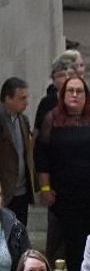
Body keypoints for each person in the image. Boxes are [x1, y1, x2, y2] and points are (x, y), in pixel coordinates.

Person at [32, 74, 90, 271]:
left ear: (87, 95)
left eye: (79, 91)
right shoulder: (52, 118)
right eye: (70, 90)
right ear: (62, 94)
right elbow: (41, 156)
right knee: (71, 247)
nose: (75, 95)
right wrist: (44, 188)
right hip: (65, 196)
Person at [1, 80, 34, 226]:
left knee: (19, 235)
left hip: (22, 192)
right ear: (8, 98)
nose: (26, 103)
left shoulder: (23, 120)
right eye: (22, 98)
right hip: (4, 192)